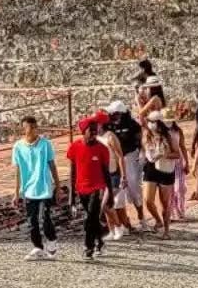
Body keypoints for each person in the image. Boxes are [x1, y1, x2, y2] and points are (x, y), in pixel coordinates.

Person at [10, 114, 59, 260]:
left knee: (45, 218)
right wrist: (16, 192)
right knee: (32, 221)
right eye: (28, 127)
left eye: (33, 127)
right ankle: (38, 247)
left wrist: (58, 184)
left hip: (44, 187)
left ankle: (51, 240)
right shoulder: (18, 147)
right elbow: (17, 170)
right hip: (28, 189)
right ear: (23, 129)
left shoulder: (45, 144)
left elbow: (52, 165)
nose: (31, 130)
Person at [66, 114, 112, 257]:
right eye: (91, 131)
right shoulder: (75, 147)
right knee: (92, 217)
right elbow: (72, 172)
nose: (94, 133)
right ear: (84, 131)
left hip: (97, 187)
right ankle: (100, 240)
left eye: (95, 131)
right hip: (81, 188)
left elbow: (106, 173)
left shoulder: (103, 149)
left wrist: (110, 194)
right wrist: (71, 197)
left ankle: (88, 246)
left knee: (91, 216)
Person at [140, 111, 182, 237]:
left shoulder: (170, 136)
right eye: (150, 121)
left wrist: (164, 155)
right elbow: (145, 151)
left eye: (154, 122)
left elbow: (177, 154)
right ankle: (158, 220)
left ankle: (166, 230)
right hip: (151, 168)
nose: (151, 124)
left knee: (165, 202)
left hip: (166, 168)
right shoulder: (147, 135)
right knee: (148, 200)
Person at [105, 99, 144, 224]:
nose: (115, 115)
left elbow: (140, 140)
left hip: (130, 157)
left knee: (134, 188)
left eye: (117, 113)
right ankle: (125, 222)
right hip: (114, 160)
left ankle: (141, 217)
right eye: (113, 113)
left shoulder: (132, 125)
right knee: (118, 192)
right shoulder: (109, 126)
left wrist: (141, 154)